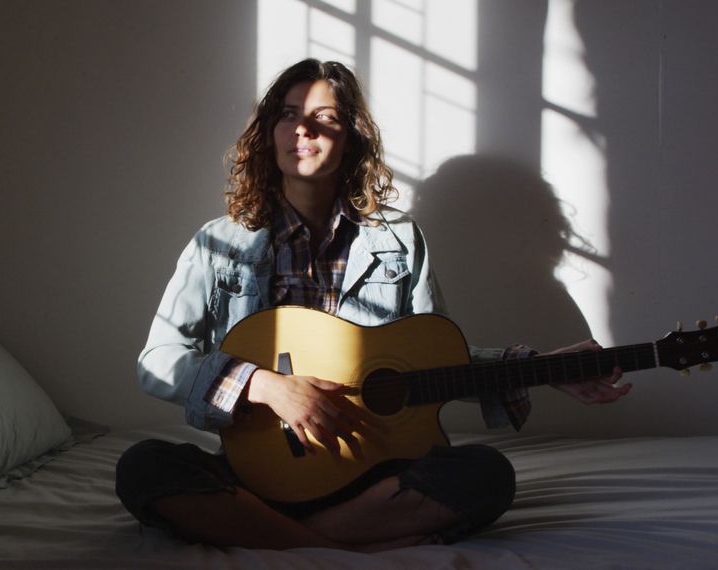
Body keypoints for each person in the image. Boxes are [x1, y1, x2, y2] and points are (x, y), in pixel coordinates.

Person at [115, 59, 630, 552]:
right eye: (288, 115)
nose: (302, 131)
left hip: (372, 475)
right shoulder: (218, 243)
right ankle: (334, 545)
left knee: (488, 475)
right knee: (143, 467)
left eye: (324, 118)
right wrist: (265, 385)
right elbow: (158, 360)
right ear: (269, 131)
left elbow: (434, 359)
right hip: (257, 472)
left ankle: (273, 534)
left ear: (351, 138)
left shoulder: (401, 242)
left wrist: (543, 369)